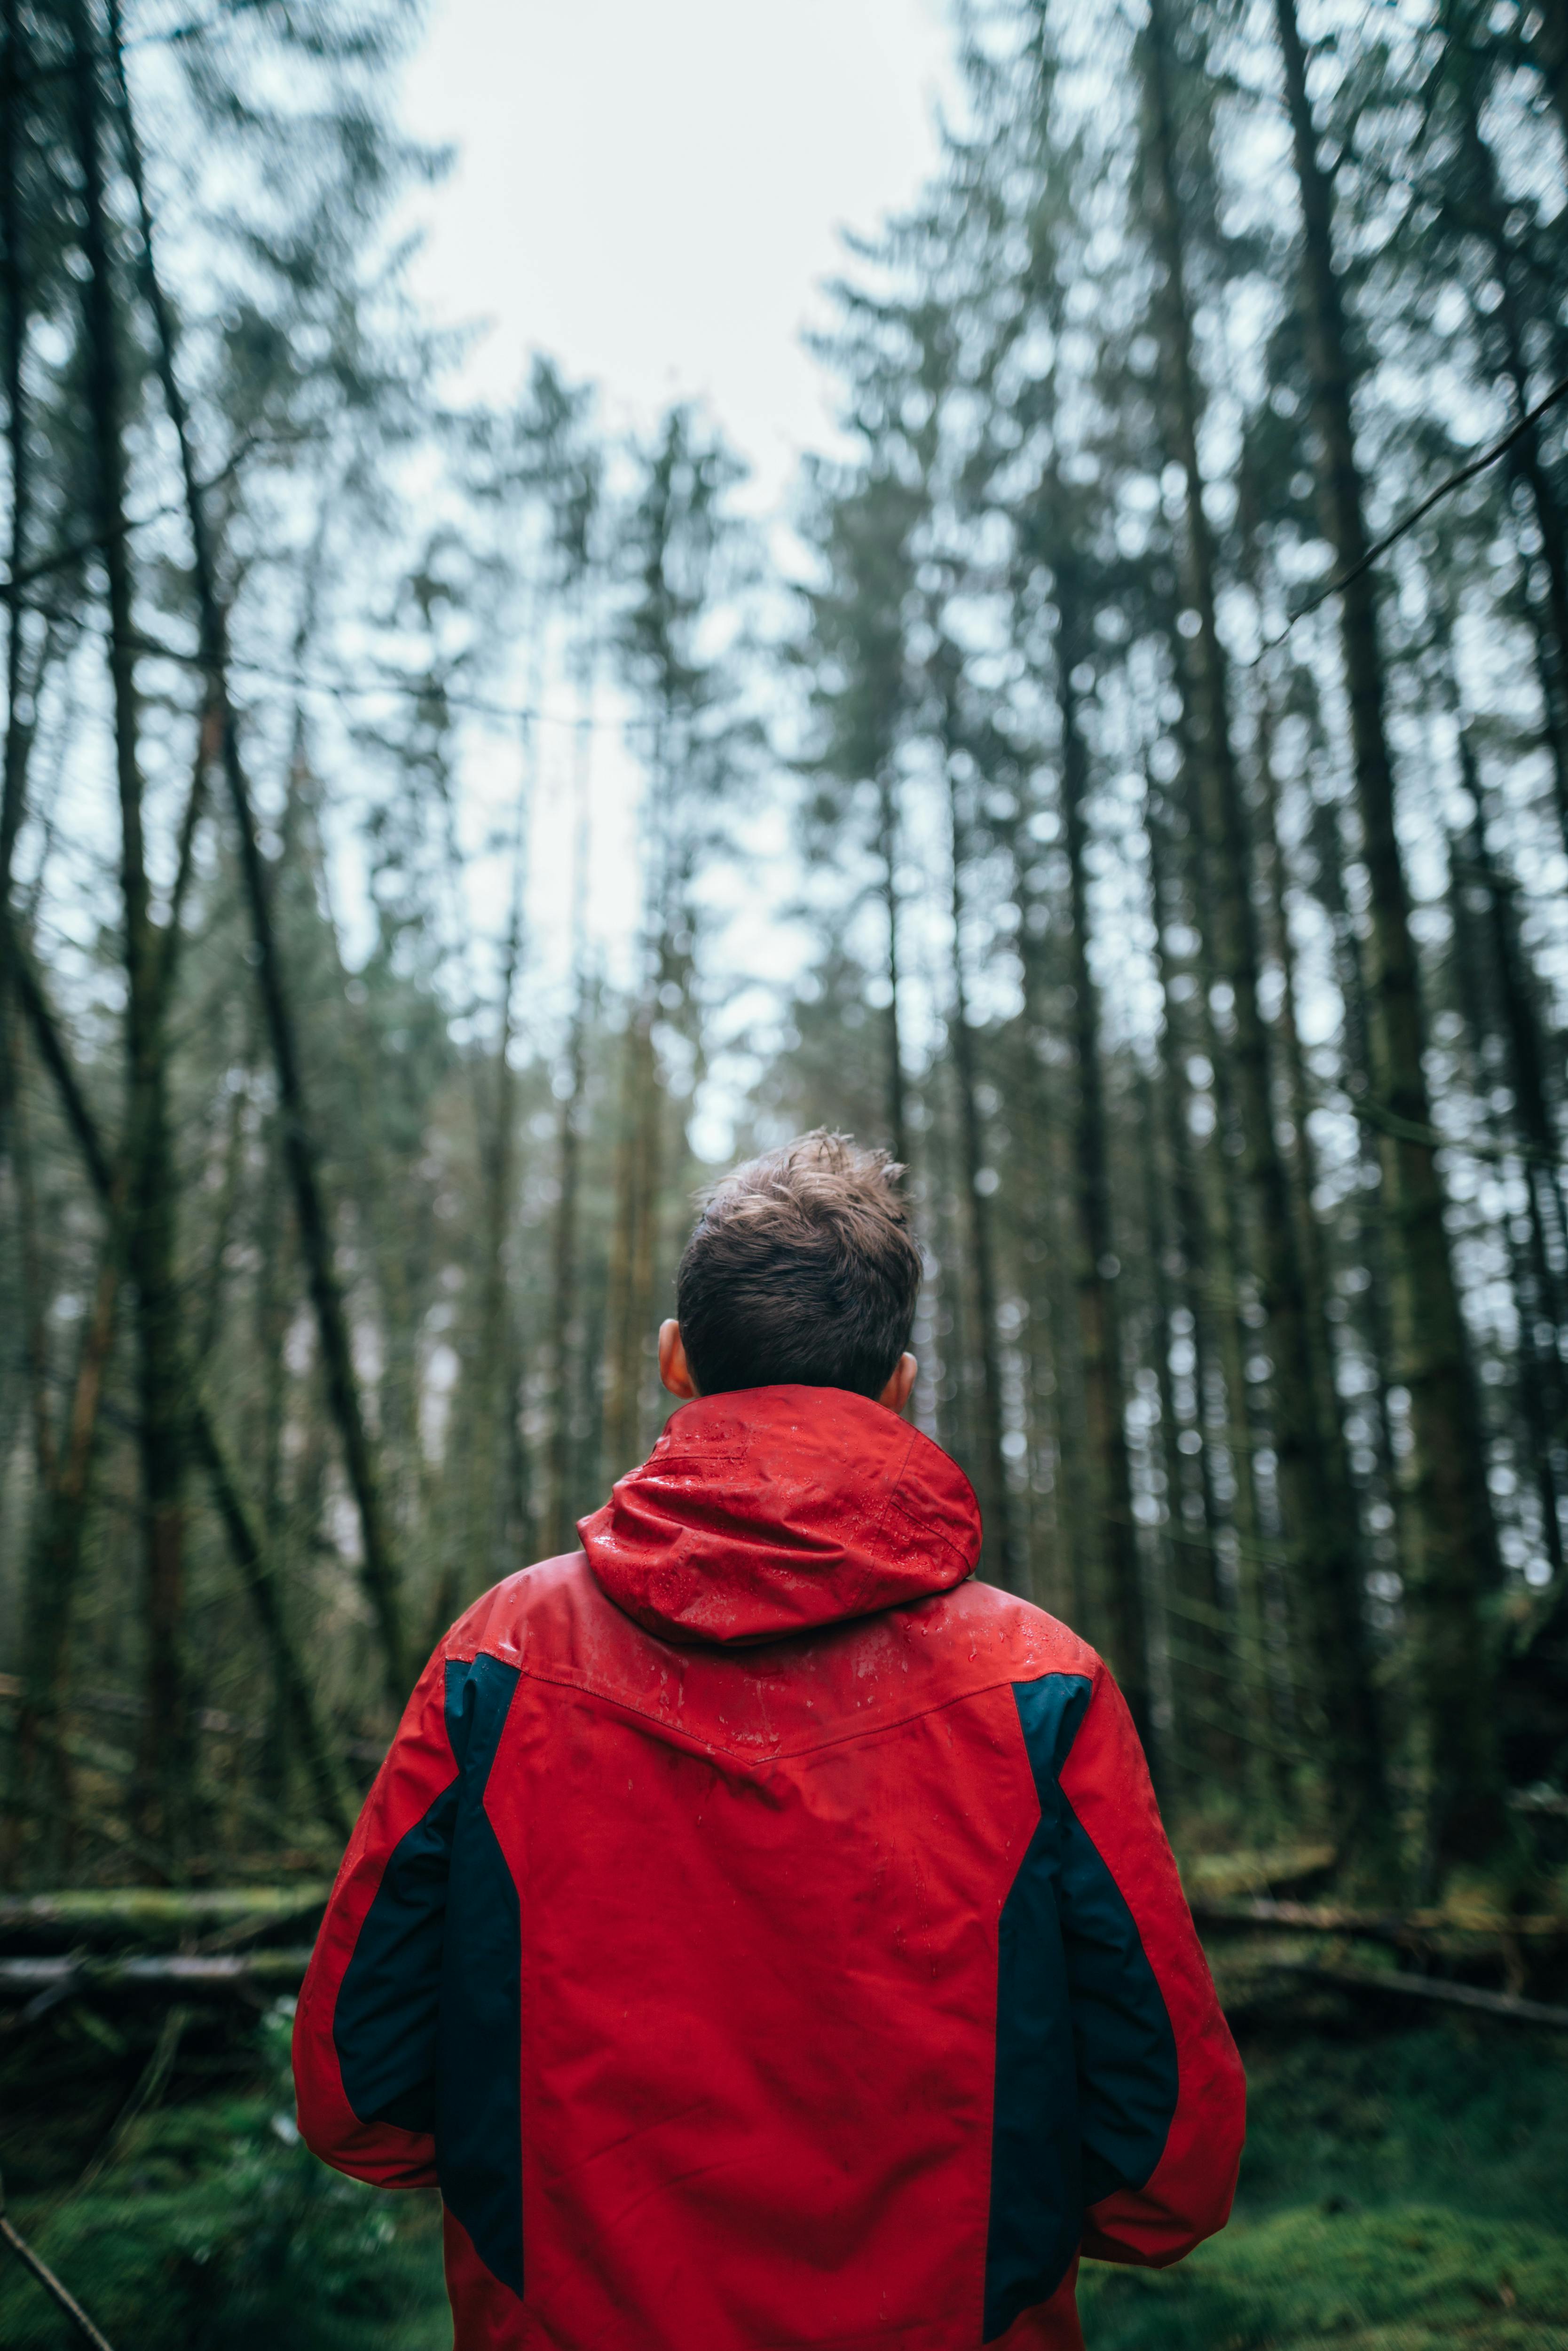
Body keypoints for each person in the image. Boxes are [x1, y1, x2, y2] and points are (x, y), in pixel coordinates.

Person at [293, 1129, 1245, 2350]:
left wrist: (566, 2208)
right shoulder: (1039, 1683)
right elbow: (1172, 2169)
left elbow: (354, 2096)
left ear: (676, 1361)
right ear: (899, 1383)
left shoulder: (503, 1656)